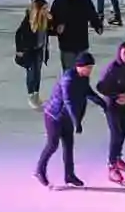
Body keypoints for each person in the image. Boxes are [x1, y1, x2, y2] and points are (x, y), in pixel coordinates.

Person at [36, 50, 103, 189]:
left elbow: (88, 92)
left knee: (68, 146)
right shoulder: (68, 79)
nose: (90, 70)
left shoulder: (83, 78)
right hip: (54, 117)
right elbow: (68, 101)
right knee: (52, 145)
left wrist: (102, 103)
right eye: (89, 67)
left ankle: (69, 175)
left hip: (67, 118)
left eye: (91, 68)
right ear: (80, 66)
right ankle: (39, 171)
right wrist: (76, 122)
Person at [97, 41, 125, 184]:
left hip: (123, 101)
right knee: (116, 133)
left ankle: (117, 157)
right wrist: (116, 96)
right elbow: (101, 87)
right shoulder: (112, 69)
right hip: (111, 104)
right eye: (124, 53)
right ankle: (111, 166)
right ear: (119, 54)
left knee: (124, 131)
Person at [50, 0, 101, 67]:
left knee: (82, 72)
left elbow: (93, 15)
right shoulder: (58, 3)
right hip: (66, 45)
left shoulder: (85, 1)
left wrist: (98, 26)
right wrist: (56, 29)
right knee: (69, 73)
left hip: (81, 43)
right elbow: (51, 21)